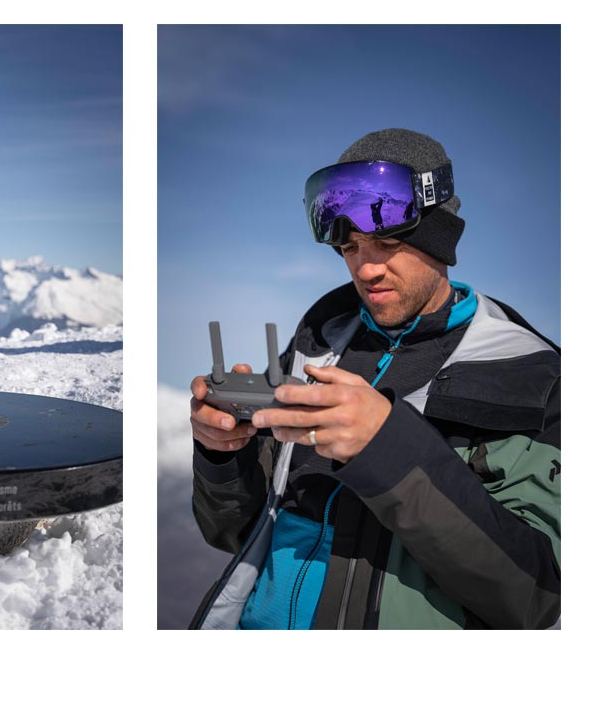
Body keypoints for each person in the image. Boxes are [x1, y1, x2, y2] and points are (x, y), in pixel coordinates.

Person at [188, 129, 560, 629]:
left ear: (441, 237)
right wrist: (221, 457)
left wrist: (389, 449)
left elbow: (540, 594)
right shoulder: (318, 342)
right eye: (349, 248)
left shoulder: (530, 376)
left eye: (385, 243)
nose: (366, 269)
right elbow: (237, 534)